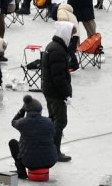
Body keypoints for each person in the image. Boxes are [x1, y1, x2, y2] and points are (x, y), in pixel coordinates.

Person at [41, 21, 74, 162]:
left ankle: (49, 147)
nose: (72, 38)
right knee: (60, 121)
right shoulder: (58, 51)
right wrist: (66, 94)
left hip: (49, 90)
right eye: (71, 35)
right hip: (55, 92)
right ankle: (54, 151)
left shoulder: (53, 46)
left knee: (53, 120)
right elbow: (59, 77)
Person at [8, 95, 58, 179]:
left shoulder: (22, 123)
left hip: (30, 163)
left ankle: (22, 172)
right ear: (40, 110)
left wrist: (22, 111)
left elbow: (13, 122)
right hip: (50, 161)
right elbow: (53, 135)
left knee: (13, 143)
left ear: (27, 110)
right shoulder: (48, 122)